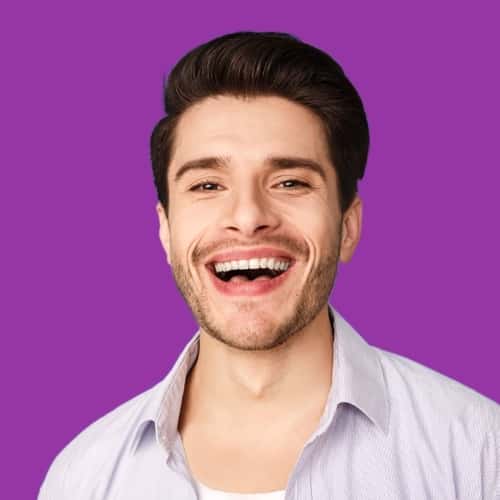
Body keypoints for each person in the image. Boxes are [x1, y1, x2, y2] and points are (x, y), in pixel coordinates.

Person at [39, 31, 499, 500]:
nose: (248, 217)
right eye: (207, 186)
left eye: (290, 182)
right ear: (165, 230)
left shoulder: (478, 453)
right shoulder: (83, 479)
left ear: (348, 226)